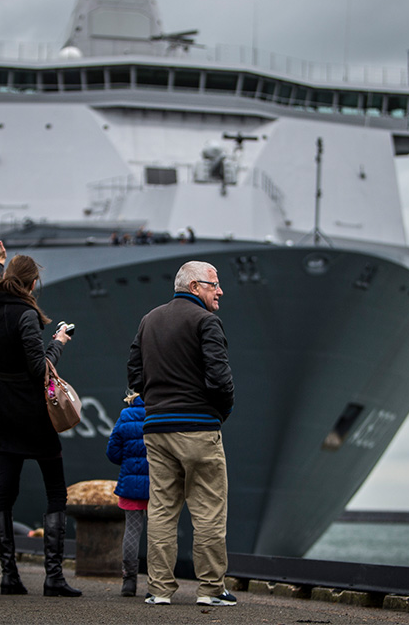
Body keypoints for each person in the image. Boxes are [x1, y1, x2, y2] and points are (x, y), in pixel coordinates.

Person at [0, 231, 81, 598]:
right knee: (56, 491)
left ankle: (9, 576)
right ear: (33, 283)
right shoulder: (26, 317)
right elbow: (40, 370)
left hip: (3, 405)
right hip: (34, 412)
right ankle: (53, 577)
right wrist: (59, 342)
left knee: (6, 490)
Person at [127, 260, 236, 606]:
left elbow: (134, 373)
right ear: (194, 287)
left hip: (156, 431)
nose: (219, 291)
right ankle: (211, 589)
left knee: (161, 509)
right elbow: (220, 378)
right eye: (213, 284)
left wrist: (155, 403)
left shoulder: (149, 320)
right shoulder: (206, 322)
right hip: (198, 429)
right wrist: (219, 413)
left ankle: (159, 590)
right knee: (208, 511)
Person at [105, 392, 149, 597]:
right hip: (159, 483)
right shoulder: (160, 412)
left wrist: (129, 461)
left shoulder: (126, 415)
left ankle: (129, 582)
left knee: (132, 529)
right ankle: (160, 581)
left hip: (130, 481)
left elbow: (112, 451)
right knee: (161, 530)